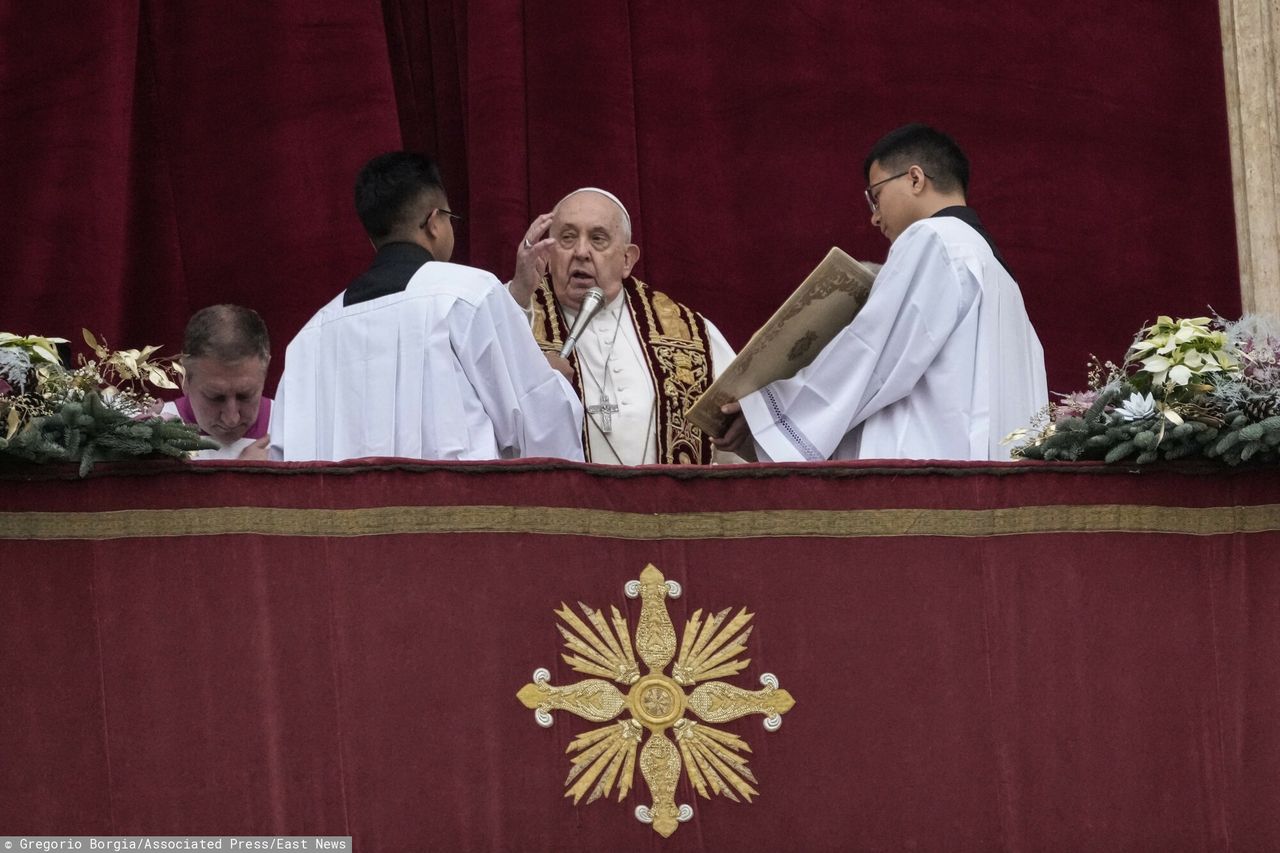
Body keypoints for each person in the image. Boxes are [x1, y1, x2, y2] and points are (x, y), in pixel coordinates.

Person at [717, 123, 1047, 461]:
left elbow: (872, 353)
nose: (875, 218)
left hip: (926, 476)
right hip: (984, 479)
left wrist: (768, 418)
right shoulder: (994, 269)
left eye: (876, 197)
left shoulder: (933, 239)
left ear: (915, 179)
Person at [269, 152, 584, 462]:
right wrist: (551, 379)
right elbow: (539, 425)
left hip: (339, 514)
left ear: (372, 238)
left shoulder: (309, 339)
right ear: (435, 222)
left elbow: (286, 464)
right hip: (454, 511)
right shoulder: (467, 296)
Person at [509, 188, 740, 465]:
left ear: (627, 259)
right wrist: (519, 295)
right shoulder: (517, 313)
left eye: (598, 239)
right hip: (564, 508)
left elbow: (737, 447)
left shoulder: (691, 332)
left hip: (671, 507)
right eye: (567, 238)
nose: (581, 252)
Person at [161, 304, 272, 461]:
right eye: (216, 397)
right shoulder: (147, 434)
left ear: (265, 370)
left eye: (245, 395)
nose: (231, 418)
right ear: (183, 377)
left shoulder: (296, 431)